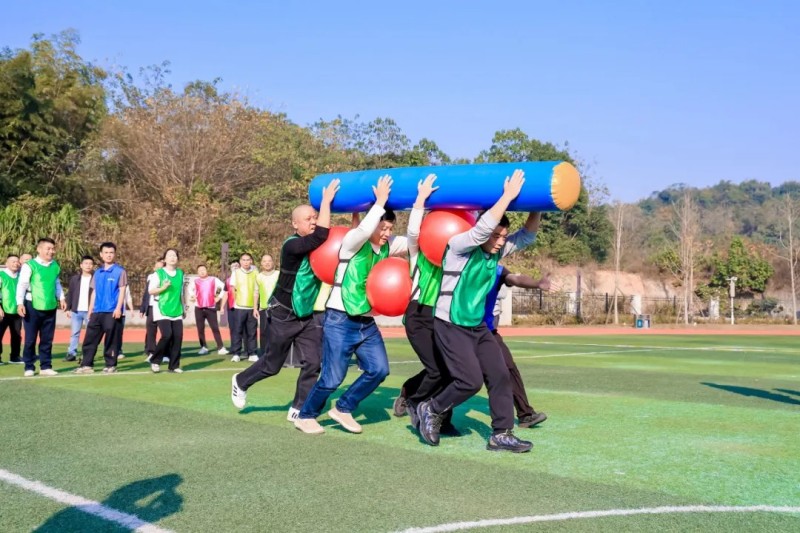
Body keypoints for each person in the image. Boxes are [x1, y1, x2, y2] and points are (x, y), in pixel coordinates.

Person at [416, 170, 540, 453]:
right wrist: (507, 196)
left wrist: (538, 204)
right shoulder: (459, 246)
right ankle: (431, 409)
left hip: (477, 326)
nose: (499, 241)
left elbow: (528, 236)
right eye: (496, 235)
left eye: (503, 236)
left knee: (499, 375)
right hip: (451, 323)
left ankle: (501, 434)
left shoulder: (496, 250)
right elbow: (483, 229)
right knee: (469, 381)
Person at [295, 175, 425, 435]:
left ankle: (343, 407)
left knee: (379, 370)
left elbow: (415, 239)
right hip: (339, 320)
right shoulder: (353, 243)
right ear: (372, 224)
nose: (386, 234)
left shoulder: (388, 246)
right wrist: (379, 203)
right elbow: (364, 229)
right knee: (332, 378)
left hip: (366, 322)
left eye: (390, 229)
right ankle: (305, 415)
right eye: (382, 228)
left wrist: (422, 204)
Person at [231, 179, 339, 422]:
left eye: (315, 217)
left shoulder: (319, 248)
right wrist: (325, 203)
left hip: (306, 315)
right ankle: (240, 380)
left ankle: (298, 406)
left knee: (313, 363)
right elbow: (319, 236)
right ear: (294, 224)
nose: (313, 221)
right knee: (272, 365)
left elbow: (336, 241)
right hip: (282, 314)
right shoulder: (291, 246)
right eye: (308, 219)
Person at [484, 266, 552, 428]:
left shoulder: (496, 269)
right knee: (455, 375)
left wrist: (536, 283)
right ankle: (424, 404)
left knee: (509, 368)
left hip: (488, 331)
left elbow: (515, 279)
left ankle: (525, 414)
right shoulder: (462, 262)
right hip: (461, 331)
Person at [16, 238, 67, 377]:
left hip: (50, 306)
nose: (51, 251)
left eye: (52, 248)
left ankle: (46, 366)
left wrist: (61, 298)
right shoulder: (30, 265)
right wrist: (19, 303)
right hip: (32, 305)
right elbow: (22, 285)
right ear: (39, 249)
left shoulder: (55, 266)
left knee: (47, 338)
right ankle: (29, 366)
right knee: (30, 338)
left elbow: (57, 283)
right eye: (48, 248)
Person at [74, 242, 128, 374]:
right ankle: (87, 365)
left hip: (112, 311)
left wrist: (118, 308)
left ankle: (110, 364)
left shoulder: (120, 271)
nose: (109, 255)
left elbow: (122, 291)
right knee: (90, 339)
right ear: (101, 254)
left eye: (111, 253)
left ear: (114, 254)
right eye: (106, 253)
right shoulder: (97, 273)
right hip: (97, 311)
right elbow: (94, 292)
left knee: (111, 340)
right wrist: (90, 310)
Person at [148, 249, 186, 373]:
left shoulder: (180, 273)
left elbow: (181, 292)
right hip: (161, 308)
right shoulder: (158, 273)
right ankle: (155, 360)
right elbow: (151, 291)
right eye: (169, 255)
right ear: (164, 259)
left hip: (177, 309)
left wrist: (183, 306)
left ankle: (174, 365)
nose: (172, 257)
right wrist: (163, 287)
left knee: (178, 337)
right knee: (166, 335)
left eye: (174, 255)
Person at [190, 265, 227, 355]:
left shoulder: (213, 279)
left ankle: (221, 347)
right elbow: (191, 291)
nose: (202, 271)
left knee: (215, 328)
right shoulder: (195, 281)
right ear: (197, 272)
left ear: (207, 270)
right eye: (200, 270)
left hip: (210, 308)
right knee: (200, 328)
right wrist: (193, 296)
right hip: (199, 308)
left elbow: (221, 287)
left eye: (203, 270)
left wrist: (217, 296)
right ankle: (203, 347)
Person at [229, 254, 259, 362]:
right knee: (237, 331)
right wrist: (236, 301)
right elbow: (233, 289)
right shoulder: (235, 272)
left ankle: (252, 353)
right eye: (243, 260)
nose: (246, 262)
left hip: (252, 307)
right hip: (239, 307)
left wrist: (255, 307)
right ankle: (236, 353)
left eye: (248, 260)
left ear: (251, 261)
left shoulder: (256, 272)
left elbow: (257, 290)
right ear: (240, 261)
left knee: (252, 331)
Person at [65, 255, 95, 362]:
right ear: (81, 265)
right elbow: (70, 294)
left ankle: (87, 354)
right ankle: (71, 353)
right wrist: (68, 309)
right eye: (86, 263)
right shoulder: (75, 279)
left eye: (90, 264)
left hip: (90, 311)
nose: (88, 266)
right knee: (74, 333)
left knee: (90, 334)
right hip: (76, 311)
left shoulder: (95, 278)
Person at [0, 254, 23, 364]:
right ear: (7, 263)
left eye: (17, 262)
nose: (15, 264)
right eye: (13, 261)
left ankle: (15, 357)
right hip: (3, 311)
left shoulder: (21, 277)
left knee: (17, 335)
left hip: (17, 311)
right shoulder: (1, 275)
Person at [140, 259, 165, 362]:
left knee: (165, 332)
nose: (159, 269)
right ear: (154, 268)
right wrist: (142, 308)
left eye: (161, 267)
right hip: (151, 307)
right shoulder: (151, 277)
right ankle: (151, 352)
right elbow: (147, 293)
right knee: (151, 331)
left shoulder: (167, 277)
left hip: (163, 307)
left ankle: (166, 353)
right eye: (157, 267)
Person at [255, 254, 279, 358]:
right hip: (264, 308)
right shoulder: (258, 276)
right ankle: (264, 354)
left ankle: (277, 355)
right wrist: (255, 308)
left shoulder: (279, 274)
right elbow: (256, 293)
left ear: (273, 262)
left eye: (269, 261)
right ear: (261, 263)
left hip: (277, 308)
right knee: (264, 332)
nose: (267, 263)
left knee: (277, 332)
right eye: (264, 261)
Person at [112, 285, 135, 360]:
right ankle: (110, 350)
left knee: (119, 333)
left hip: (122, 314)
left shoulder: (126, 286)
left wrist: (131, 309)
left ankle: (118, 351)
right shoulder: (111, 282)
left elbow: (128, 298)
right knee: (110, 332)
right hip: (110, 312)